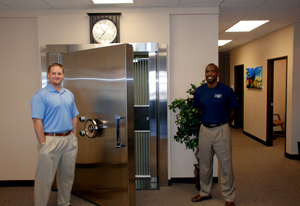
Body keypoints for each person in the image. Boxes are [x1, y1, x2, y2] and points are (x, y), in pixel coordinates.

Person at [30, 63, 79, 206]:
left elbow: (74, 116)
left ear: (63, 76)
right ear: (48, 75)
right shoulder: (40, 96)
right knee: (44, 180)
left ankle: (64, 203)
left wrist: (74, 137)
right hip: (50, 140)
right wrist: (43, 143)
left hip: (69, 140)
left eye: (59, 73)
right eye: (53, 73)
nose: (56, 76)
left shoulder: (69, 94)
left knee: (67, 177)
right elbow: (37, 121)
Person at [191, 63, 239, 206]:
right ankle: (205, 192)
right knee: (205, 164)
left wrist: (224, 125)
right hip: (205, 130)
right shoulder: (199, 91)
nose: (209, 74)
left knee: (225, 164)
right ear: (205, 74)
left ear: (217, 73)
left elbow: (233, 110)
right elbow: (200, 110)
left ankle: (229, 197)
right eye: (207, 71)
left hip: (221, 129)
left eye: (212, 71)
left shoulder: (226, 90)